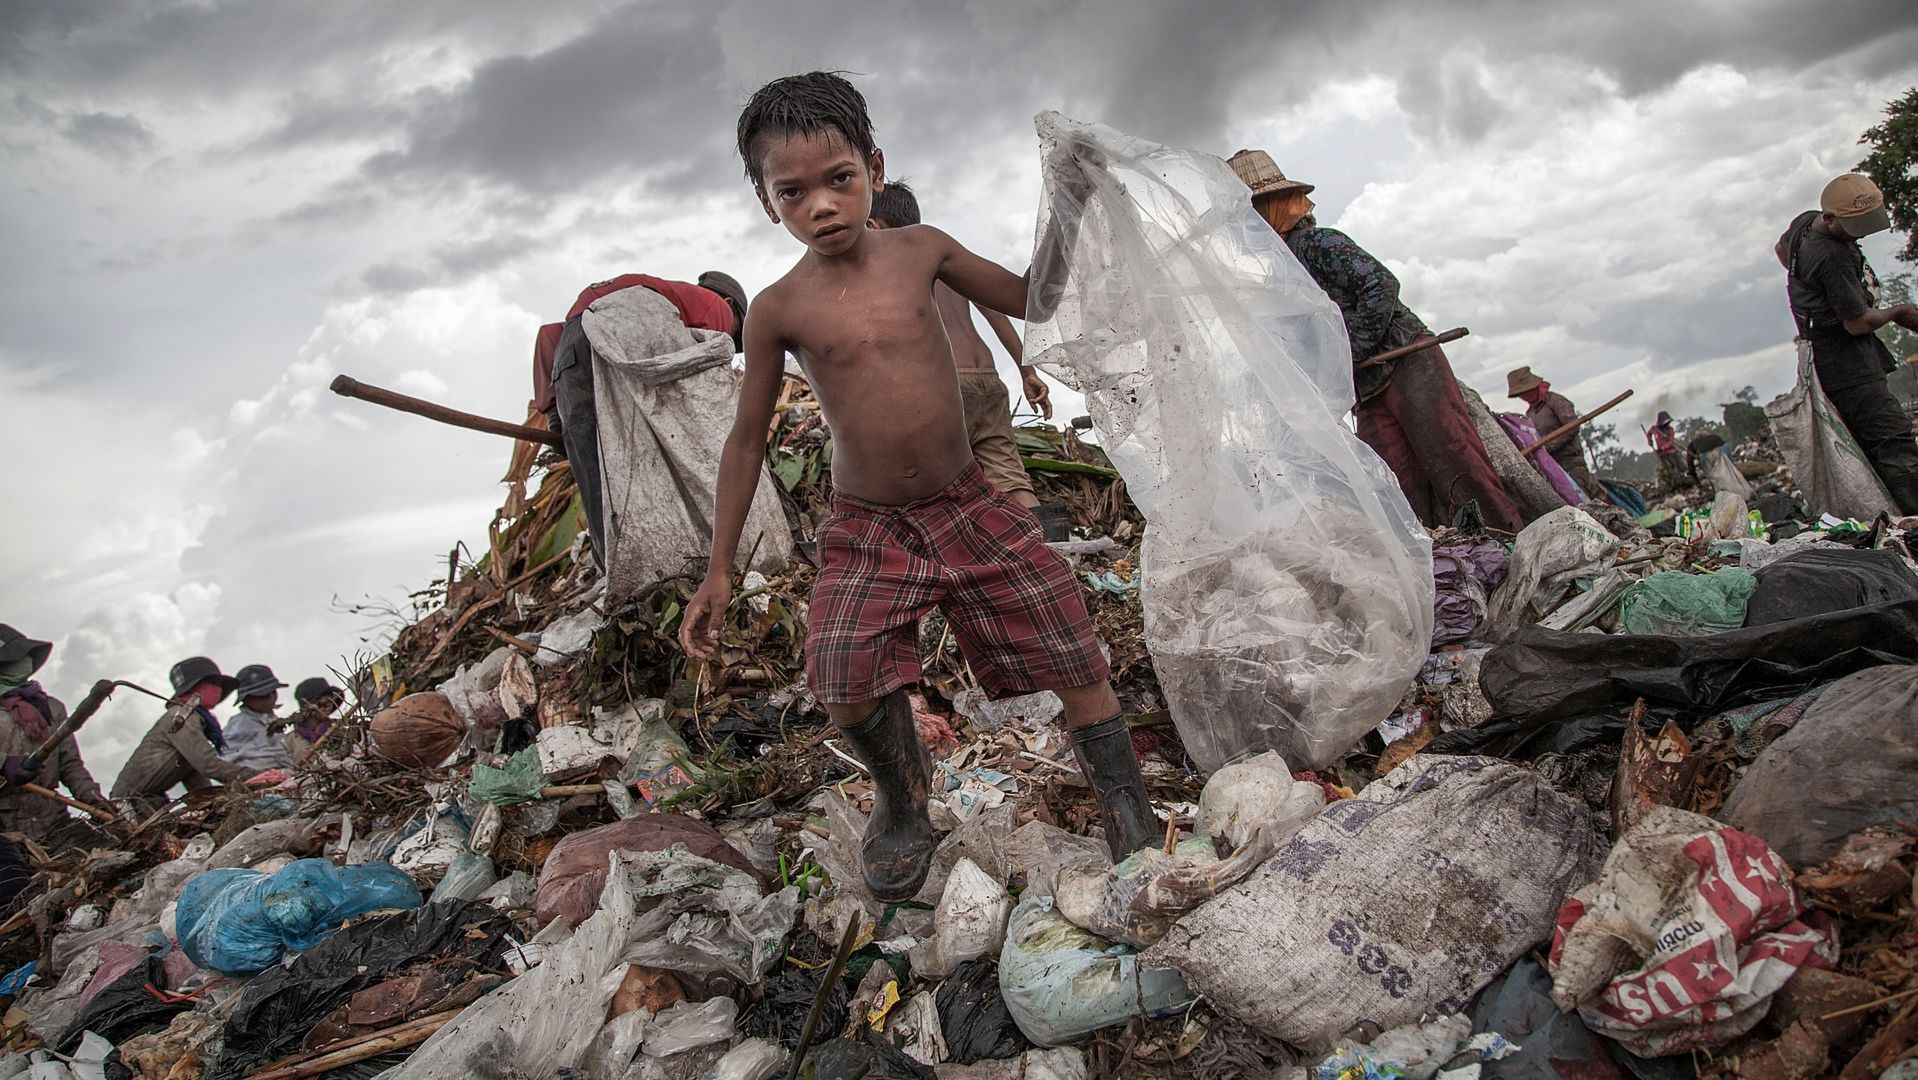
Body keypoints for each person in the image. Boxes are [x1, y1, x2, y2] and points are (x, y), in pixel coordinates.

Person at [682, 71, 1155, 902]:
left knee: (1075, 653)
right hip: (869, 526)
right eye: (793, 192)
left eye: (840, 179)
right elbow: (746, 440)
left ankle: (1126, 808)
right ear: (767, 202)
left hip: (970, 502)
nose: (822, 205)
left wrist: (1071, 207)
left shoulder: (921, 249)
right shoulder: (777, 309)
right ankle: (903, 797)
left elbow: (1033, 297)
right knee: (839, 673)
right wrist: (718, 570)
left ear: (874, 165)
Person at [1228, 150, 1524, 533]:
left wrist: (1351, 346)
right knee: (1394, 483)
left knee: (1454, 460)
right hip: (1368, 387)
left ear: (1275, 207)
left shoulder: (1319, 245)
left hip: (1406, 362)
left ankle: (1507, 540)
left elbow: (1380, 284)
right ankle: (1442, 558)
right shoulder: (1280, 277)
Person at [540, 271, 751, 560]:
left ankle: (621, 576)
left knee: (597, 480)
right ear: (729, 302)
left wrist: (554, 410)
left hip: (570, 351)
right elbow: (707, 379)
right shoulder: (713, 304)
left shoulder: (654, 293)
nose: (730, 335)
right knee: (663, 462)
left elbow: (549, 334)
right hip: (625, 337)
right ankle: (694, 559)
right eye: (736, 330)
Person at [868, 180, 1051, 509]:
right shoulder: (947, 259)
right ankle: (1042, 549)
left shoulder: (892, 266)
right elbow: (998, 314)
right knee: (1010, 478)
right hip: (990, 380)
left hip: (948, 385)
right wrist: (1027, 372)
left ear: (872, 226)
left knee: (938, 482)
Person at [1775, 173, 1918, 513]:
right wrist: (1898, 312)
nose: (1863, 233)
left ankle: (1896, 516)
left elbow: (1781, 250)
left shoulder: (1803, 224)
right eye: (1855, 226)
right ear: (1829, 218)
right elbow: (1857, 324)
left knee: (1870, 441)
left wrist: (1812, 292)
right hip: (1848, 361)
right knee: (1892, 440)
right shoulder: (1831, 258)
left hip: (1822, 356)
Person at [110, 657, 260, 813]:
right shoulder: (180, 718)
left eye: (219, 684)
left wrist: (215, 803)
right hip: (127, 806)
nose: (218, 689)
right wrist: (259, 777)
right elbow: (209, 765)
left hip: (150, 803)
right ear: (193, 688)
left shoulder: (199, 723)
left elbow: (197, 778)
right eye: (212, 683)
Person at [0, 625, 106, 845]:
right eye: (13, 659)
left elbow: (70, 765)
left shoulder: (50, 707)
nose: (23, 661)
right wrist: (4, 763)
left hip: (57, 824)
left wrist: (93, 799)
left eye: (23, 655)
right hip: (7, 832)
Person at [1507, 367, 1596, 494]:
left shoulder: (1556, 401)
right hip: (1553, 468)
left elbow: (1572, 427)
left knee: (1582, 502)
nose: (1523, 397)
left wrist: (1547, 446)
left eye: (1525, 392)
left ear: (1533, 388)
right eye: (1520, 395)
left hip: (1571, 463)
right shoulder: (1530, 414)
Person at [221, 664, 292, 771]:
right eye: (262, 696)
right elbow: (224, 760)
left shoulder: (272, 720)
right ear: (246, 699)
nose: (270, 699)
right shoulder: (239, 725)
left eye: (272, 692)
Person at [284, 677, 345, 763]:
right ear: (308, 707)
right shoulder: (290, 741)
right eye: (323, 704)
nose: (329, 707)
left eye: (331, 702)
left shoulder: (340, 733)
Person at [1647, 411, 1685, 482]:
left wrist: (1663, 448)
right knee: (1662, 470)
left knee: (1680, 466)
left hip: (1671, 451)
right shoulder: (1654, 428)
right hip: (1661, 454)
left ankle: (1682, 476)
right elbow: (1649, 434)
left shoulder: (1670, 429)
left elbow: (1671, 441)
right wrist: (1649, 441)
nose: (1667, 424)